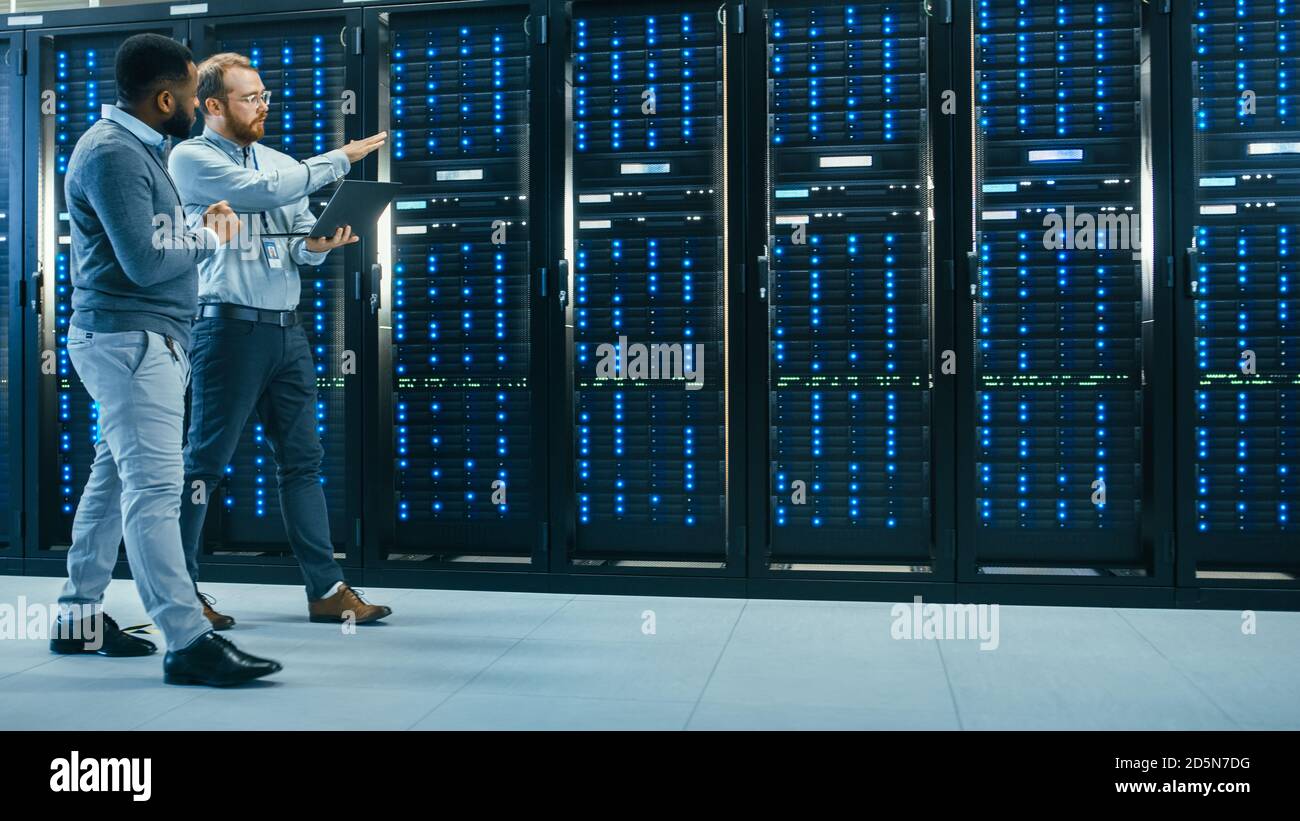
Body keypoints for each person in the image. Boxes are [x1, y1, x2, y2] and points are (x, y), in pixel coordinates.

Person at [52, 33, 282, 686]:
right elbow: (147, 263)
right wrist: (208, 236)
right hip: (130, 342)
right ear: (162, 98)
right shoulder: (115, 154)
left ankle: (77, 613)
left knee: (115, 480)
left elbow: (151, 240)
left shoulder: (134, 149)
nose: (199, 107)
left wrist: (192, 225)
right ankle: (188, 641)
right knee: (155, 490)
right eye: (189, 95)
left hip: (138, 341)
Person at [168, 52, 391, 627]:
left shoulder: (279, 162)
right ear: (213, 106)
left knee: (303, 463)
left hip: (286, 333)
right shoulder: (191, 157)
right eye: (250, 98)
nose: (263, 105)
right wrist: (338, 159)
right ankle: (182, 591)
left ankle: (327, 591)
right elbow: (264, 192)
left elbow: (291, 234)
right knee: (204, 464)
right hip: (226, 329)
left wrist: (314, 247)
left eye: (265, 95)